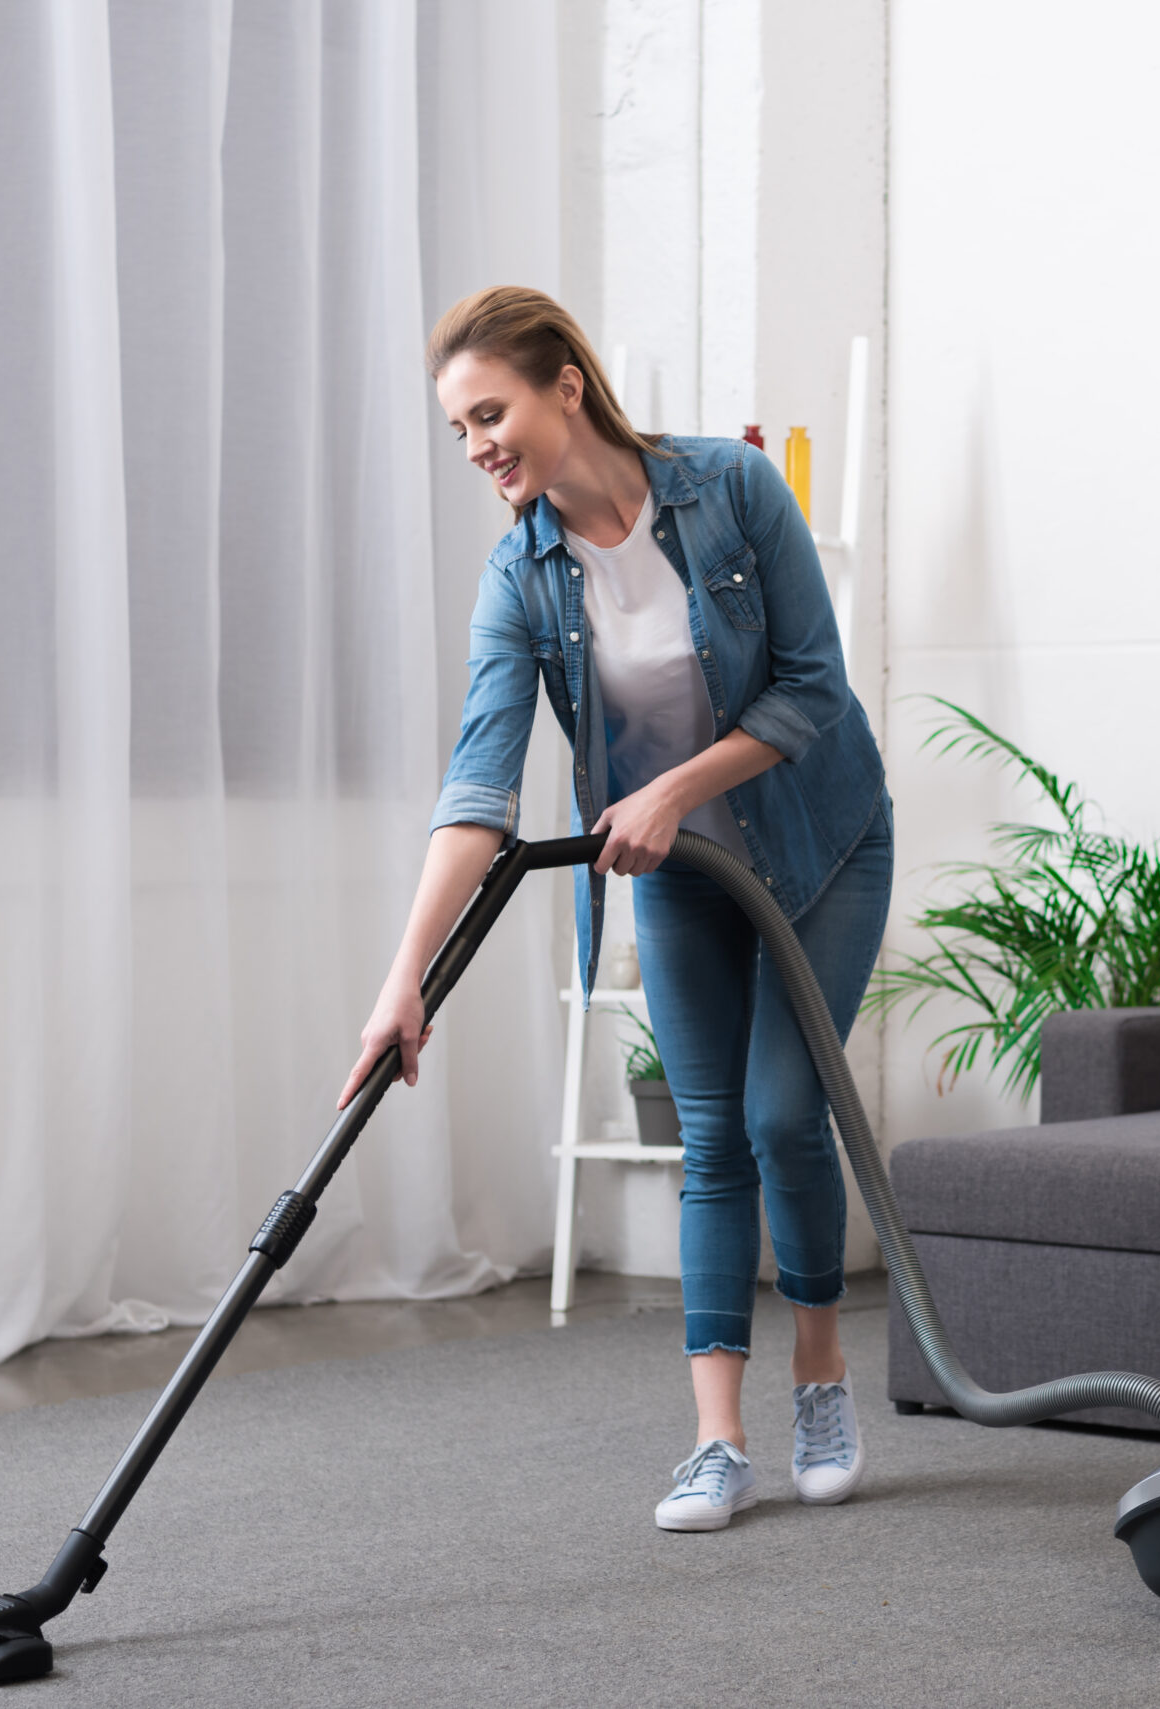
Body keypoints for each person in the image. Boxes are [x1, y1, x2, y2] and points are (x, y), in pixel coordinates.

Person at [340, 286, 891, 1533]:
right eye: (458, 428)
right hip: (679, 872)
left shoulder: (729, 492)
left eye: (490, 412)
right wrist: (404, 976)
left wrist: (675, 787)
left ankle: (820, 1378)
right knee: (710, 1134)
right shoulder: (520, 576)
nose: (477, 443)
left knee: (784, 1112)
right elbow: (478, 784)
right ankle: (715, 1441)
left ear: (565, 389)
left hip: (821, 843)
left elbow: (813, 685)